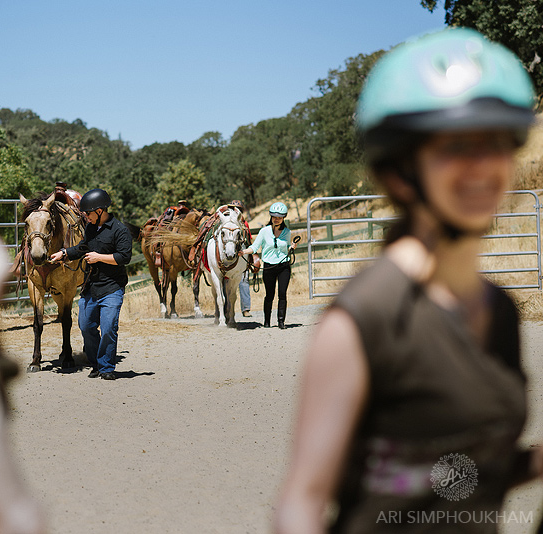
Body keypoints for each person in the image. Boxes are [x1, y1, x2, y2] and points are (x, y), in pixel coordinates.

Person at [273, 28, 541, 533]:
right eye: (457, 146)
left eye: (499, 142)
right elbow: (300, 505)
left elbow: (457, 481)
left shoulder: (500, 311)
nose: (484, 166)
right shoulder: (365, 319)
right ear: (399, 171)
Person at [50, 188, 133, 380]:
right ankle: (96, 362)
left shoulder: (119, 230)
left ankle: (106, 368)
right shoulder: (90, 228)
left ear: (100, 211)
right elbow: (82, 248)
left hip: (112, 287)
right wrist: (63, 254)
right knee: (86, 326)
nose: (85, 217)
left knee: (108, 328)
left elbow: (124, 257)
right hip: (91, 287)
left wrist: (99, 258)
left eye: (87, 213)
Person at [238, 202, 295, 328]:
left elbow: (286, 246)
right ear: (271, 217)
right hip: (269, 266)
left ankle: (281, 322)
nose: (277, 219)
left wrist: (292, 247)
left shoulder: (287, 232)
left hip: (283, 266)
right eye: (275, 217)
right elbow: (254, 246)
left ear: (283, 218)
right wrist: (244, 252)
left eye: (279, 217)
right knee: (269, 294)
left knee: (282, 294)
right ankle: (267, 321)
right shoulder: (264, 231)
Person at [229, 200, 256, 317]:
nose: (236, 211)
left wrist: (250, 257)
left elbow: (249, 241)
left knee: (244, 280)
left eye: (238, 209)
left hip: (242, 254)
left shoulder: (244, 224)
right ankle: (229, 310)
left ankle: (245, 308)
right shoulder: (226, 223)